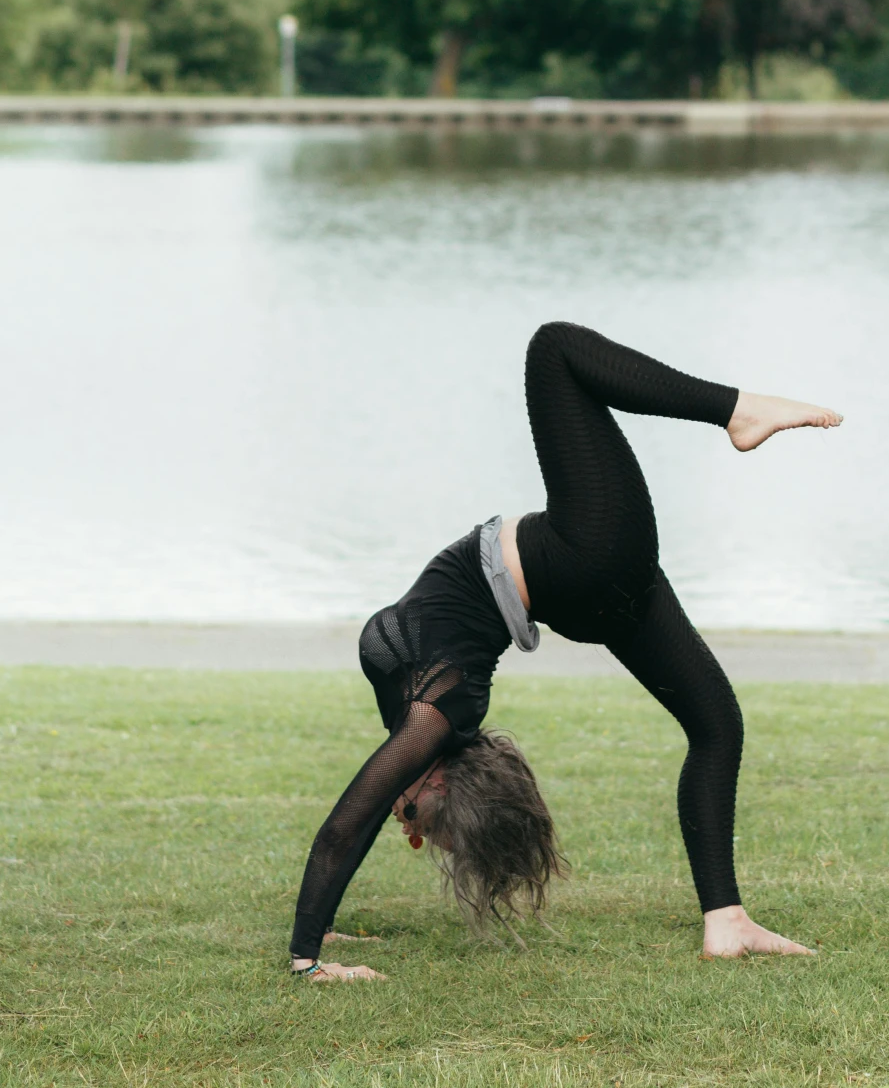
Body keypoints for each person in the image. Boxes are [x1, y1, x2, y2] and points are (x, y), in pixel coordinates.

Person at [290, 320, 843, 980]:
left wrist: (319, 924)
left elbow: (361, 818)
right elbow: (342, 827)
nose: (399, 821)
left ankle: (726, 921)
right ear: (436, 776)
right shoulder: (433, 715)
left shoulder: (425, 723)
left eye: (405, 821)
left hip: (593, 586)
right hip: (587, 558)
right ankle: (738, 411)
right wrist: (308, 961)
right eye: (411, 817)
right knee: (552, 349)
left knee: (717, 725)